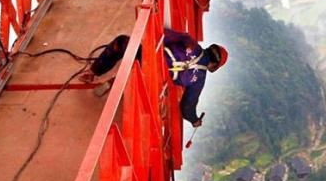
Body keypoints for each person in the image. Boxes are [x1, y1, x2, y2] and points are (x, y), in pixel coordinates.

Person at [79, 29, 228, 127]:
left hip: (148, 59)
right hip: (153, 86)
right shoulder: (199, 79)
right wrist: (194, 120)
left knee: (122, 42)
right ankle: (120, 80)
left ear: (209, 48)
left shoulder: (189, 42)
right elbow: (186, 107)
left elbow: (159, 34)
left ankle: (94, 72)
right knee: (149, 84)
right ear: (213, 66)